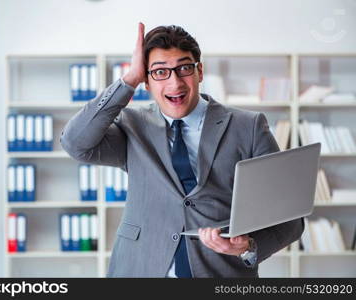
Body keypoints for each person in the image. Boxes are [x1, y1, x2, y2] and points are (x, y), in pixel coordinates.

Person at [60, 23, 304, 278]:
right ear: (146, 81)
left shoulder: (248, 126)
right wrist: (128, 80)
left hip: (220, 273)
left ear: (200, 71)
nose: (175, 82)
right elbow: (75, 143)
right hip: (139, 269)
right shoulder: (132, 126)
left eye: (184, 68)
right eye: (160, 72)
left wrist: (248, 246)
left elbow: (290, 219)